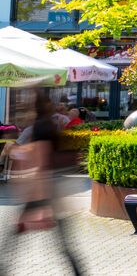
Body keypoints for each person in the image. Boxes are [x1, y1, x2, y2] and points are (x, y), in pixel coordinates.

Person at [0, 92, 84, 275]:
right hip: (53, 186)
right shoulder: (50, 125)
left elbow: (41, 162)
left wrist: (40, 202)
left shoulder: (40, 127)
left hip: (44, 188)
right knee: (62, 241)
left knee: (15, 235)